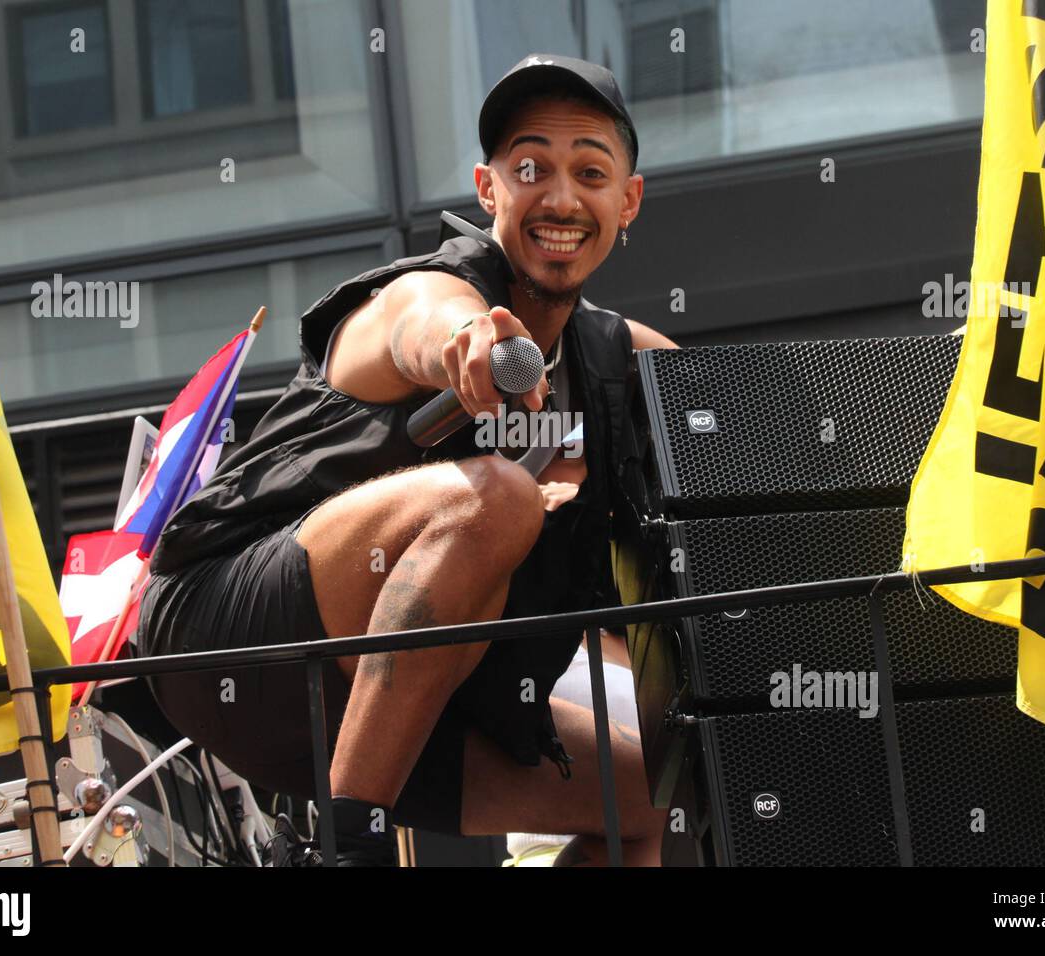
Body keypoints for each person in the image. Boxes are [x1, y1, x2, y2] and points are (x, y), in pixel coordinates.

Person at [136, 54, 678, 866]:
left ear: (627, 201)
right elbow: (427, 322)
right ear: (488, 189)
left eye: (590, 172)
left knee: (647, 801)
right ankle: (345, 854)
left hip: (407, 708)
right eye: (531, 168)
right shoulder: (422, 293)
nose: (561, 197)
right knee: (497, 500)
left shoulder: (616, 360)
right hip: (232, 637)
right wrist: (464, 343)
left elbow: (738, 418)